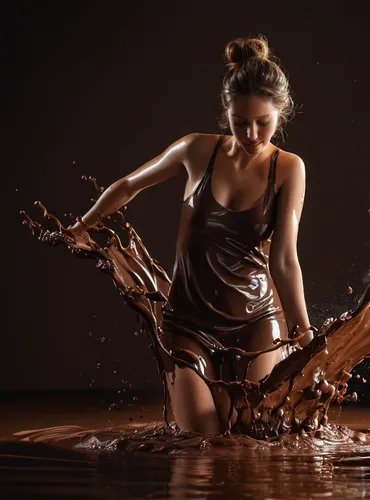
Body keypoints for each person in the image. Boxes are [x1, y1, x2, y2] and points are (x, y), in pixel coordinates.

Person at [69, 36, 314, 434]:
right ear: (226, 113)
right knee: (201, 440)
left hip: (256, 322)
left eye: (263, 123)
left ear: (280, 114)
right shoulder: (196, 151)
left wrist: (305, 334)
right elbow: (129, 185)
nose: (251, 133)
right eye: (240, 122)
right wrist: (83, 226)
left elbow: (284, 259)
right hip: (188, 323)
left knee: (253, 435)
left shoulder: (288, 168)